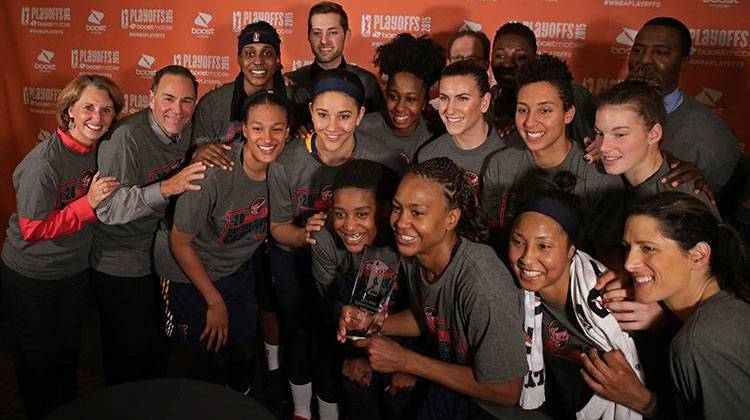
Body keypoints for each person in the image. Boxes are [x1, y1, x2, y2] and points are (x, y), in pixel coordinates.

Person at [339, 157, 534, 419]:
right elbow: (431, 316)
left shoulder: (484, 285)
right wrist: (373, 323)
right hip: (451, 389)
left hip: (493, 408)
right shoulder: (416, 255)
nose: (400, 223)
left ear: (451, 218)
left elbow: (507, 390)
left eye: (417, 212)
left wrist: (405, 361)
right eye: (398, 208)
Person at [268, 68, 402, 420]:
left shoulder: (384, 159)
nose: (332, 127)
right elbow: (278, 227)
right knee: (299, 328)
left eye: (344, 116)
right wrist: (304, 234)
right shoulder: (287, 161)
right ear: (310, 112)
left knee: (335, 337)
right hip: (297, 255)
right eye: (323, 115)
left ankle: (329, 410)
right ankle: (299, 410)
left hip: (357, 263)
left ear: (360, 115)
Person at [1, 74, 123, 419]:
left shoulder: (102, 149)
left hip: (73, 271)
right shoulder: (44, 163)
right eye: (87, 108)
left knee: (66, 355)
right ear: (68, 110)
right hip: (31, 277)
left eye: (106, 110)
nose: (96, 118)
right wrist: (88, 204)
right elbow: (33, 229)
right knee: (36, 362)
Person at [153, 91, 289, 392]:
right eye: (257, 128)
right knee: (200, 358)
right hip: (185, 271)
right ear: (244, 130)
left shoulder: (287, 171)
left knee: (242, 353)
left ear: (288, 132)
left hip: (235, 270)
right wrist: (214, 301)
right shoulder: (213, 172)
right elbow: (179, 243)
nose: (267, 138)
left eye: (277, 129)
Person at [187, 20, 288, 409]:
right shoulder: (215, 104)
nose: (258, 61)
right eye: (249, 53)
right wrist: (200, 153)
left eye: (267, 53)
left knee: (271, 303)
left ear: (279, 58)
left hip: (269, 216)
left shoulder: (291, 96)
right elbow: (198, 154)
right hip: (227, 226)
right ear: (239, 58)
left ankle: (272, 372)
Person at [581, 191, 750, 419]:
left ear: (698, 256)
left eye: (648, 248)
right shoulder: (732, 300)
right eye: (627, 248)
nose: (629, 264)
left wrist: (642, 401)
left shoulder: (698, 342)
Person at [92, 65, 207, 386]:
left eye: (187, 101)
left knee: (155, 351)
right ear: (151, 98)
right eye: (169, 98)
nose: (177, 109)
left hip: (156, 256)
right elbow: (107, 208)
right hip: (120, 263)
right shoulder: (126, 138)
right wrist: (167, 188)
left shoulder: (185, 129)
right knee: (127, 358)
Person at [507, 173, 643, 419]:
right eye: (518, 242)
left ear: (572, 250)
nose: (527, 258)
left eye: (544, 246)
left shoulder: (613, 300)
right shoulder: (507, 288)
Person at [482, 54, 625, 262]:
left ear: (568, 114)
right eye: (523, 109)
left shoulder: (599, 177)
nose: (530, 122)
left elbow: (608, 257)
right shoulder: (500, 165)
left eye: (545, 110)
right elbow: (490, 238)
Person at [308, 159, 420, 420]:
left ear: (384, 210)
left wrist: (410, 362)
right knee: (357, 391)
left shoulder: (408, 241)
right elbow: (325, 307)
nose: (348, 226)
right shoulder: (323, 238)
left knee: (402, 398)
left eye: (361, 214)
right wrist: (346, 358)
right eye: (340, 214)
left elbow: (432, 314)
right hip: (352, 343)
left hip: (407, 341)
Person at [589, 17, 739, 196]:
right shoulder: (598, 112)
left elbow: (712, 212)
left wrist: (694, 188)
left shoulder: (712, 136)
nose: (644, 60)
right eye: (637, 50)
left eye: (661, 52)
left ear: (683, 62)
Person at [596, 80, 717, 216]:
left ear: (654, 134)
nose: (603, 146)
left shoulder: (682, 200)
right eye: (599, 133)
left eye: (620, 134)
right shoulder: (599, 178)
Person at [285, 1, 385, 132]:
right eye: (317, 33)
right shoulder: (292, 84)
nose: (324, 40)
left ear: (347, 35)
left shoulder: (366, 82)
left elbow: (379, 133)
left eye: (332, 33)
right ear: (308, 36)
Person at [490, 22, 596, 143]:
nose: (507, 64)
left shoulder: (571, 95)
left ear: (534, 58)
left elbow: (594, 147)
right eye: (499, 55)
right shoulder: (489, 101)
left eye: (520, 57)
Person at [416, 60, 506, 197]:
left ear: (484, 102)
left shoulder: (510, 154)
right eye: (444, 98)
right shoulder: (428, 155)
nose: (450, 110)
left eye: (462, 99)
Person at [358, 33, 446, 165]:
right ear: (385, 93)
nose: (399, 107)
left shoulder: (437, 135)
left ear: (424, 101)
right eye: (393, 96)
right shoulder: (362, 129)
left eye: (411, 99)